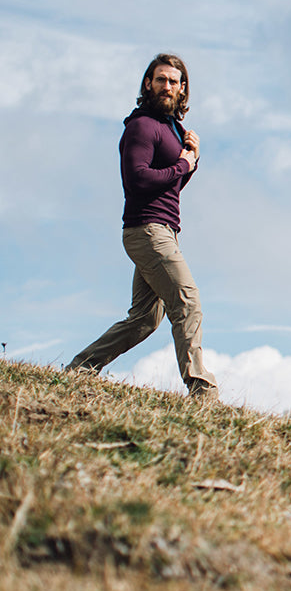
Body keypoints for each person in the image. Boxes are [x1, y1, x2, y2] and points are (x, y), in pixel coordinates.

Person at [67, 53, 220, 402]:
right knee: (187, 300)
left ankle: (80, 368)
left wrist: (191, 159)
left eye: (174, 81)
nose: (166, 86)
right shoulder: (141, 126)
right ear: (147, 83)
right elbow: (138, 180)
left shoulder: (172, 128)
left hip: (167, 231)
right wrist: (184, 162)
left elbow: (170, 185)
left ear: (183, 90)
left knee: (144, 319)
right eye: (160, 79)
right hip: (146, 229)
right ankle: (202, 390)